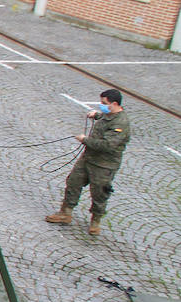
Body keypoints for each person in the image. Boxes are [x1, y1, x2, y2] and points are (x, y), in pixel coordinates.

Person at [46, 88, 132, 236]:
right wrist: (97, 115)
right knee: (73, 182)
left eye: (104, 103)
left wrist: (85, 140)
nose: (101, 106)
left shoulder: (121, 124)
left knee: (99, 194)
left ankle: (95, 222)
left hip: (104, 165)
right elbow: (105, 118)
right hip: (88, 159)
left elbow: (107, 145)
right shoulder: (108, 114)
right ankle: (65, 213)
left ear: (115, 104)